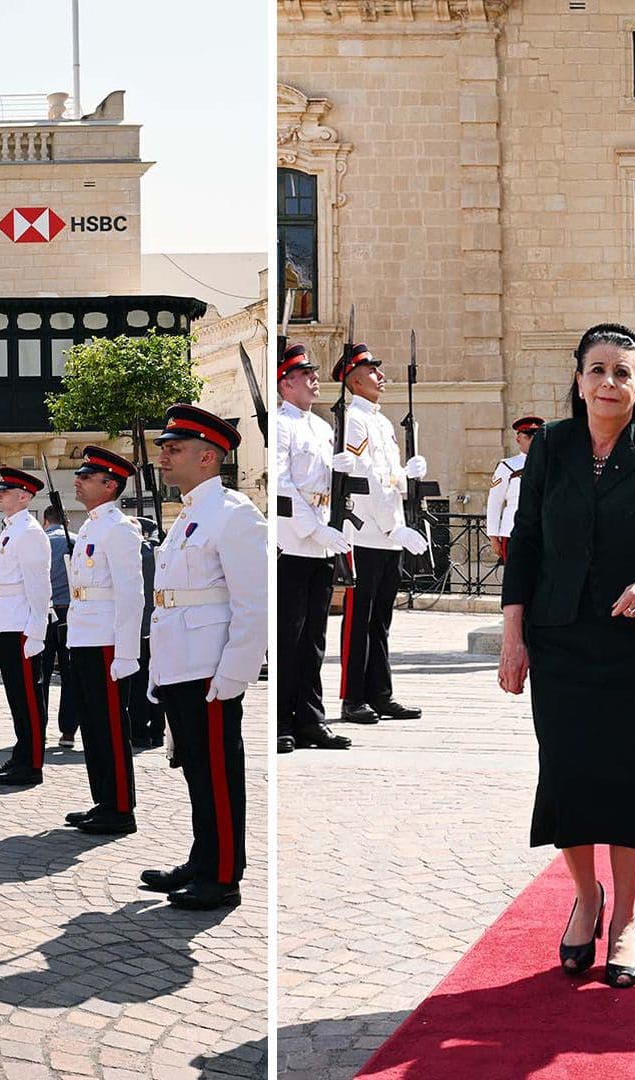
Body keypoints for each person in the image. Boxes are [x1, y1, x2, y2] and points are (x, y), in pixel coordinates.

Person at [498, 323, 635, 989]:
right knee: (565, 775)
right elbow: (525, 541)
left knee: (626, 776)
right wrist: (514, 636)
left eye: (624, 373)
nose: (610, 383)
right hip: (560, 637)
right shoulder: (553, 447)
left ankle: (624, 917)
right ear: (579, 379)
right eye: (598, 370)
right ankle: (585, 897)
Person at [138, 404, 266, 910]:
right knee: (195, 767)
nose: (163, 458)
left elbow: (253, 603)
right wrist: (159, 668)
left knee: (217, 770)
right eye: (164, 449)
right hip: (181, 661)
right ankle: (202, 858)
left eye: (174, 450)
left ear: (208, 457)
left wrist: (236, 670)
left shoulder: (234, 514)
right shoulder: (190, 514)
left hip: (211, 666)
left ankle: (223, 875)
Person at [332, 341, 430, 725]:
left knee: (381, 620)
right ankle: (352, 697)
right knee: (358, 621)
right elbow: (363, 479)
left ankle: (380, 693)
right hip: (367, 534)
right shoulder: (355, 420)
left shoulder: (383, 421)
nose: (381, 376)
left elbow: (388, 479)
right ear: (354, 379)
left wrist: (408, 475)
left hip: (388, 534)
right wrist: (394, 526)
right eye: (373, 371)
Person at [61, 446, 146, 834]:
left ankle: (120, 807)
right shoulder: (92, 526)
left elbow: (131, 593)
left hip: (108, 640)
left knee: (111, 725)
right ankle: (103, 801)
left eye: (86, 477)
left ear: (109, 485)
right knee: (93, 725)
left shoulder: (118, 528)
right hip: (84, 635)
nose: (77, 481)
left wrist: (127, 652)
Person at [274, 342, 352, 753]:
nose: (314, 380)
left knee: (315, 639)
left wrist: (343, 474)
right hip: (294, 542)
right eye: (306, 375)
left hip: (322, 542)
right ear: (286, 384)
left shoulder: (323, 428)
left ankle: (310, 719)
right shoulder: (282, 425)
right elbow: (284, 487)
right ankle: (282, 721)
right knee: (290, 636)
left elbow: (330, 487)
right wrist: (314, 529)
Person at [0, 467, 52, 786]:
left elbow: (38, 587)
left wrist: (37, 631)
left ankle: (32, 763)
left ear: (24, 496)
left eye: (6, 491)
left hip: (23, 624)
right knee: (16, 696)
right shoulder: (13, 529)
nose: (0, 495)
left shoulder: (29, 532)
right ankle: (22, 754)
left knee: (27, 696)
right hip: (8, 621)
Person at [127, 516, 165, 750]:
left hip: (134, 627)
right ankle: (158, 732)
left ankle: (139, 732)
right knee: (157, 679)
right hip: (158, 625)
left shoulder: (129, 555)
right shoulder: (158, 553)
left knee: (136, 684)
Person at [486, 416, 544, 563]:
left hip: (545, 532)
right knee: (517, 581)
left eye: (538, 436)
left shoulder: (552, 464)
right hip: (514, 532)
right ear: (519, 439)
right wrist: (493, 536)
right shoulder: (508, 466)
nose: (534, 440)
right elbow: (495, 501)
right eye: (529, 436)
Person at [44, 503, 74, 747]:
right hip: (69, 612)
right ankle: (68, 731)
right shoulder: (73, 541)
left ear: (45, 521)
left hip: (44, 611)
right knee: (69, 673)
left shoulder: (40, 541)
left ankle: (38, 725)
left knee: (39, 674)